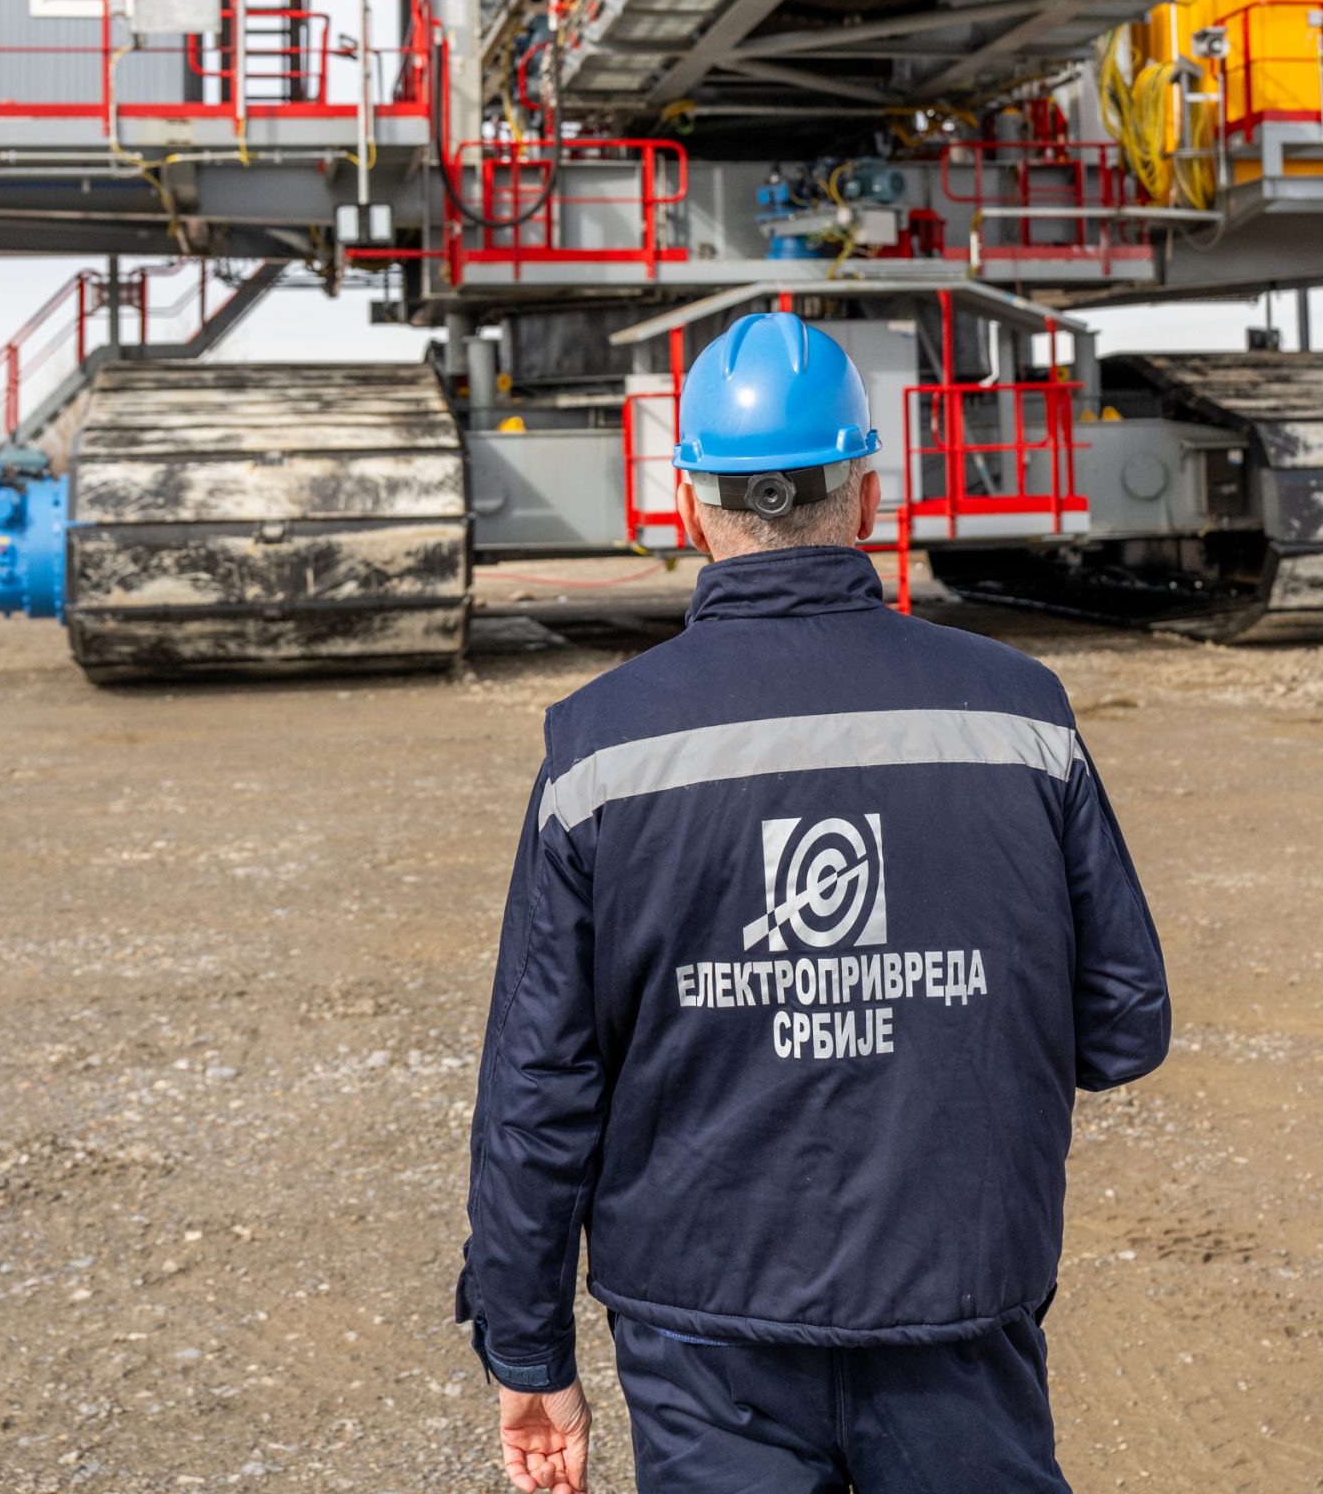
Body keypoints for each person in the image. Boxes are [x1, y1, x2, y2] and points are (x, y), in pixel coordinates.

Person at [458, 311, 1170, 1494]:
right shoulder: (1020, 716)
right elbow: (1124, 1024)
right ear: (870, 495)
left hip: (703, 1329)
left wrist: (527, 1348)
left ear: (688, 502)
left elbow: (541, 1084)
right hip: (957, 1301)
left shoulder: (601, 751)